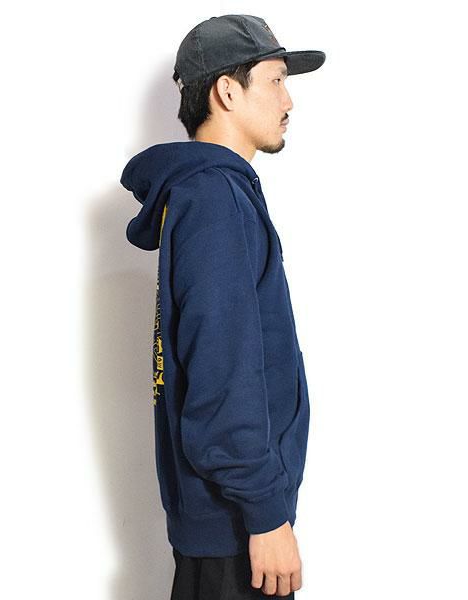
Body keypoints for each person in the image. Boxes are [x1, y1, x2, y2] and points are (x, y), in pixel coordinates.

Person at [120, 14, 325, 598]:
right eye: (276, 80)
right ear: (227, 91)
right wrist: (264, 512)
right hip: (236, 527)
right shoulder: (213, 198)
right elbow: (221, 370)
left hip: (225, 522)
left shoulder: (209, 193)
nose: (289, 100)